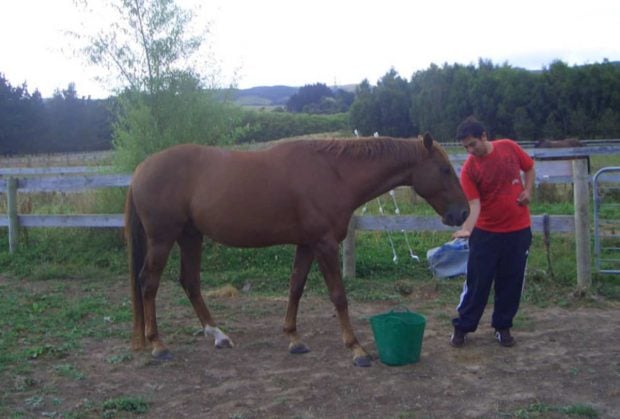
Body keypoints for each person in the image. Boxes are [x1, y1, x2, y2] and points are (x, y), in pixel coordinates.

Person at [450, 116, 535, 348]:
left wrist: (528, 190)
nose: (470, 150)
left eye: (472, 144)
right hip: (486, 234)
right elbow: (474, 205)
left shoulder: (508, 147)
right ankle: (463, 327)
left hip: (518, 230)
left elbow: (529, 167)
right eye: (465, 147)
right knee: (478, 282)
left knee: (511, 280)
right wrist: (467, 229)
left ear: (484, 136)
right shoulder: (469, 170)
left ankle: (503, 326)